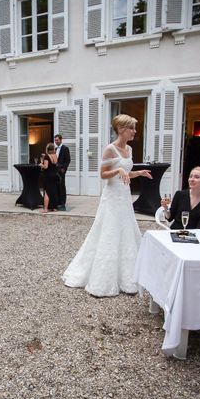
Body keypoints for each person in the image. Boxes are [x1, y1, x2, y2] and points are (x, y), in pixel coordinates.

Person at [62, 114, 152, 297]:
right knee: (109, 232)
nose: (135, 131)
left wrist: (138, 173)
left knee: (126, 231)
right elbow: (103, 175)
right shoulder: (110, 149)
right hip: (111, 198)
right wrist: (118, 170)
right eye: (132, 128)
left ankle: (127, 277)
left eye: (135, 128)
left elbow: (126, 173)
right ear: (121, 129)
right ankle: (103, 279)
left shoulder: (130, 149)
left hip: (124, 197)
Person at [40, 143, 60, 213]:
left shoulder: (46, 156)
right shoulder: (55, 155)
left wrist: (41, 164)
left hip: (48, 176)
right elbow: (54, 165)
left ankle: (45, 209)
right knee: (53, 191)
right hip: (54, 176)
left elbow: (46, 166)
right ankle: (54, 208)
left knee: (47, 192)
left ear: (47, 149)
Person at [54, 134, 71, 210]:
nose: (56, 141)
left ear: (61, 140)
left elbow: (68, 160)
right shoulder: (54, 149)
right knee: (56, 186)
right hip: (55, 170)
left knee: (62, 186)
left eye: (57, 140)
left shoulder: (65, 148)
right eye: (55, 140)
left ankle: (63, 202)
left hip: (61, 170)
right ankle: (57, 202)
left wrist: (64, 168)